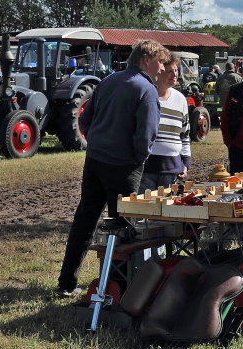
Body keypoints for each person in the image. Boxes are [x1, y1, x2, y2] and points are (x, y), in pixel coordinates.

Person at [56, 39, 169, 297]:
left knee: (85, 219)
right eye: (161, 62)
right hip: (124, 166)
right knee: (125, 226)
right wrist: (138, 159)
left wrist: (97, 142)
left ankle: (67, 282)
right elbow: (146, 134)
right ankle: (122, 287)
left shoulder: (107, 81)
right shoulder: (146, 89)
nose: (163, 68)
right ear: (146, 60)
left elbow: (85, 119)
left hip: (95, 160)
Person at [140, 55, 191, 191]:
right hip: (146, 169)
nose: (175, 75)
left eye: (176, 70)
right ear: (159, 72)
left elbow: (185, 134)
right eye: (169, 71)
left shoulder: (180, 99)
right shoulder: (146, 96)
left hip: (171, 169)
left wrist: (185, 162)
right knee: (146, 203)